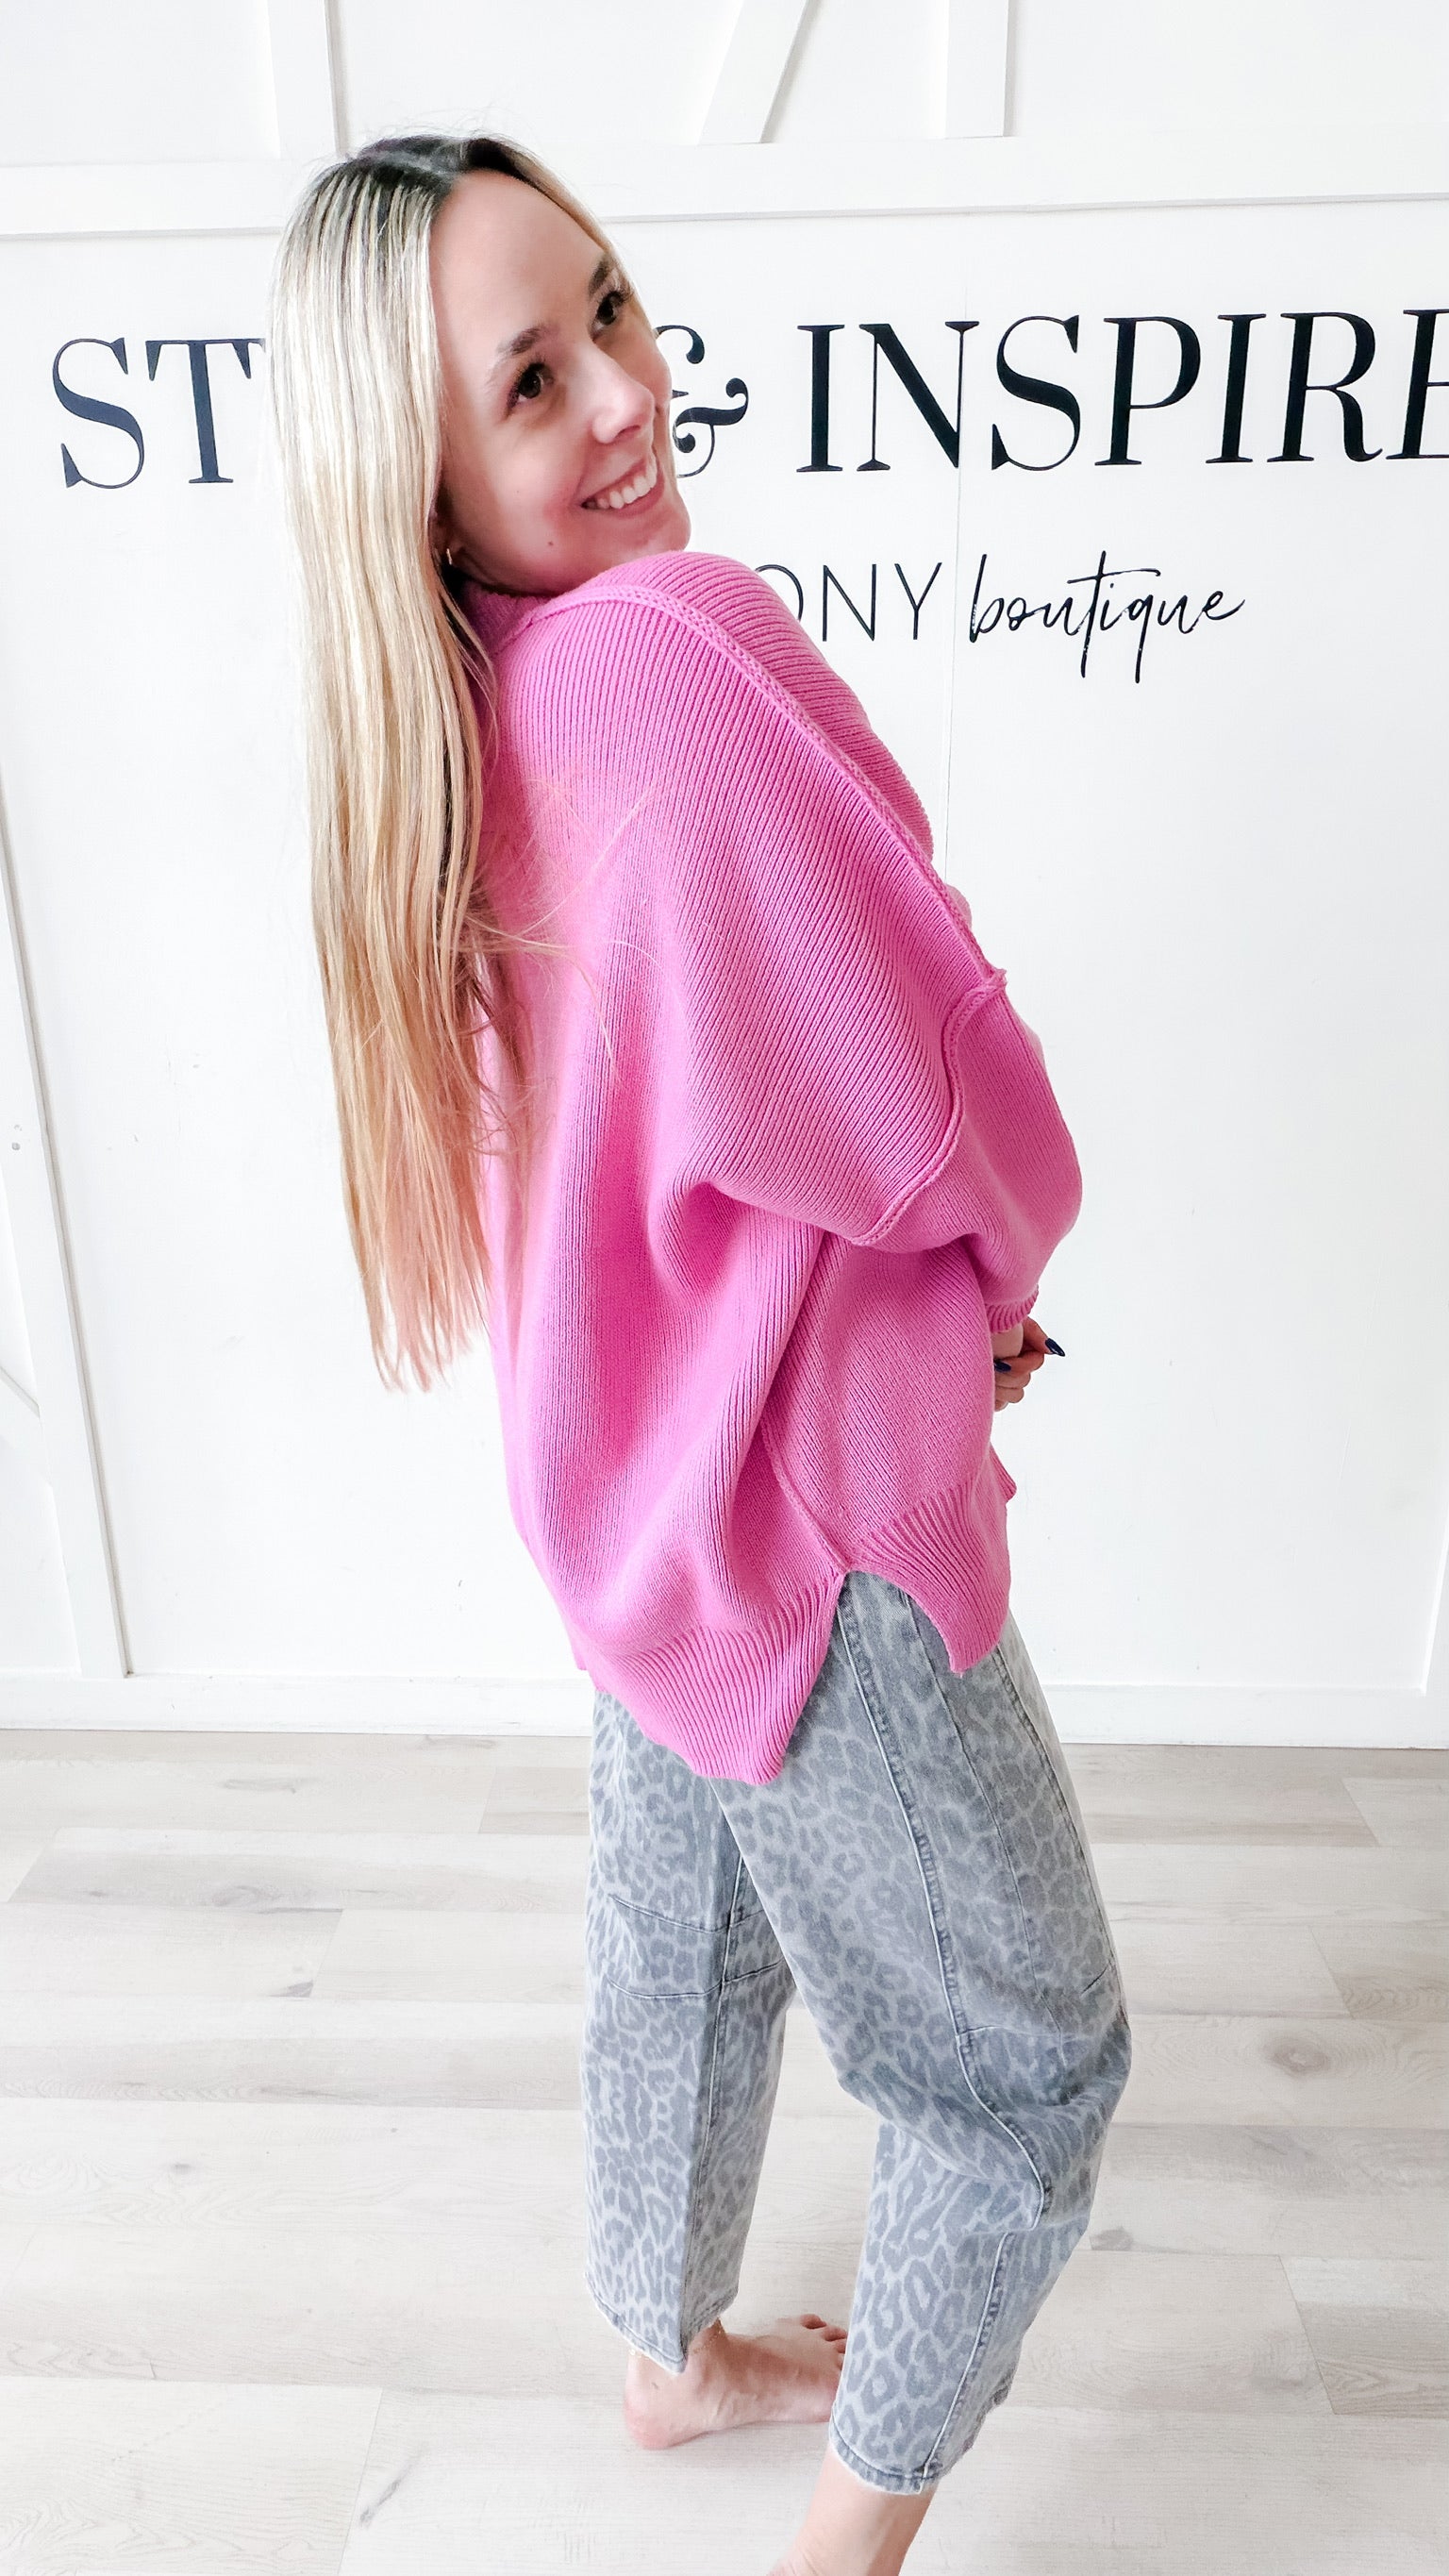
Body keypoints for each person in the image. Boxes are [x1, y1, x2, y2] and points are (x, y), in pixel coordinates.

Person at [269, 131, 1131, 2576]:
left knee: (691, 1932)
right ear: (418, 477)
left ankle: (665, 2350)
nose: (628, 397)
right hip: (810, 1504)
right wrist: (1005, 1273)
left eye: (614, 312)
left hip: (632, 1498)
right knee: (1023, 2072)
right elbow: (925, 1067)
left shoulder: (455, 724)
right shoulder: (661, 654)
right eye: (531, 381)